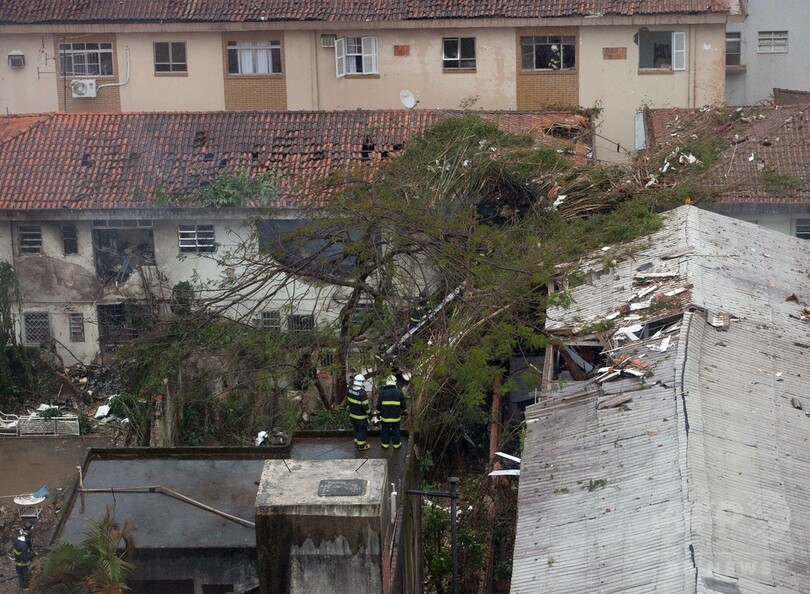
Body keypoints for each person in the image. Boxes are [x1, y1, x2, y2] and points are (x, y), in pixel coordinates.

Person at [377, 376, 407, 450]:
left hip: (385, 417)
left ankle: (385, 445)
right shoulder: (399, 392)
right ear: (395, 382)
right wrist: (405, 412)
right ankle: (396, 445)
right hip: (396, 417)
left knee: (385, 430)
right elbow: (403, 404)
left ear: (387, 383)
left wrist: (378, 413)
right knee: (396, 430)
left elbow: (379, 405)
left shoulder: (382, 392)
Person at [347, 373, 371, 451]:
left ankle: (356, 442)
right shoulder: (362, 393)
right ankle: (361, 446)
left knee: (355, 429)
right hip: (361, 417)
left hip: (352, 415)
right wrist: (369, 412)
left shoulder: (350, 390)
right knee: (361, 430)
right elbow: (365, 406)